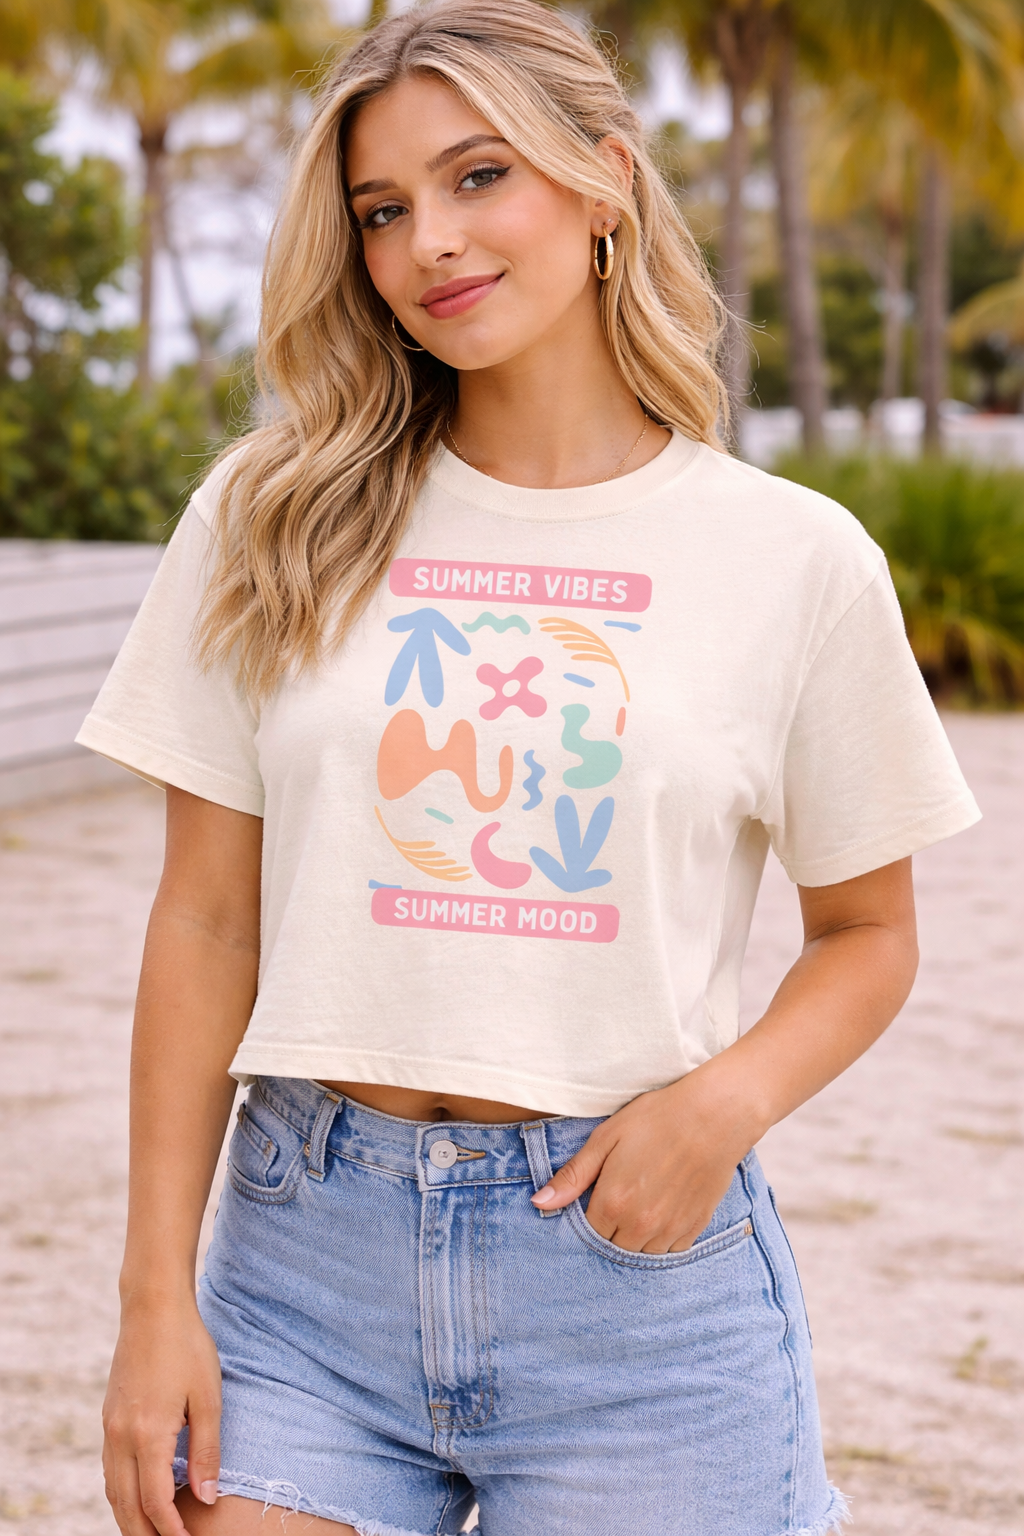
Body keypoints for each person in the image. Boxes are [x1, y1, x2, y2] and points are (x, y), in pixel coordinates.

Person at [79, 3, 981, 1533]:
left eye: (478, 176)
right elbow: (205, 922)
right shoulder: (275, 514)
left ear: (604, 180)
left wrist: (725, 1105)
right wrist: (152, 1298)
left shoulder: (793, 559)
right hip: (306, 1266)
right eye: (383, 210)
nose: (429, 239)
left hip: (637, 1289)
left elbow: (869, 936)